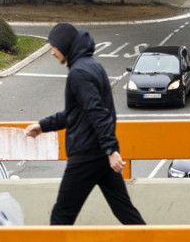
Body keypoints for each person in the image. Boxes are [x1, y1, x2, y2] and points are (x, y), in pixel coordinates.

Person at [25, 23, 145, 226]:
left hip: (86, 156)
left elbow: (97, 112)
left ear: (64, 45)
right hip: (100, 155)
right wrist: (43, 125)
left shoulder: (79, 73)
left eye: (53, 46)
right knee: (126, 213)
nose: (52, 52)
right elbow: (77, 113)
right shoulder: (92, 66)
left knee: (61, 216)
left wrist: (111, 150)